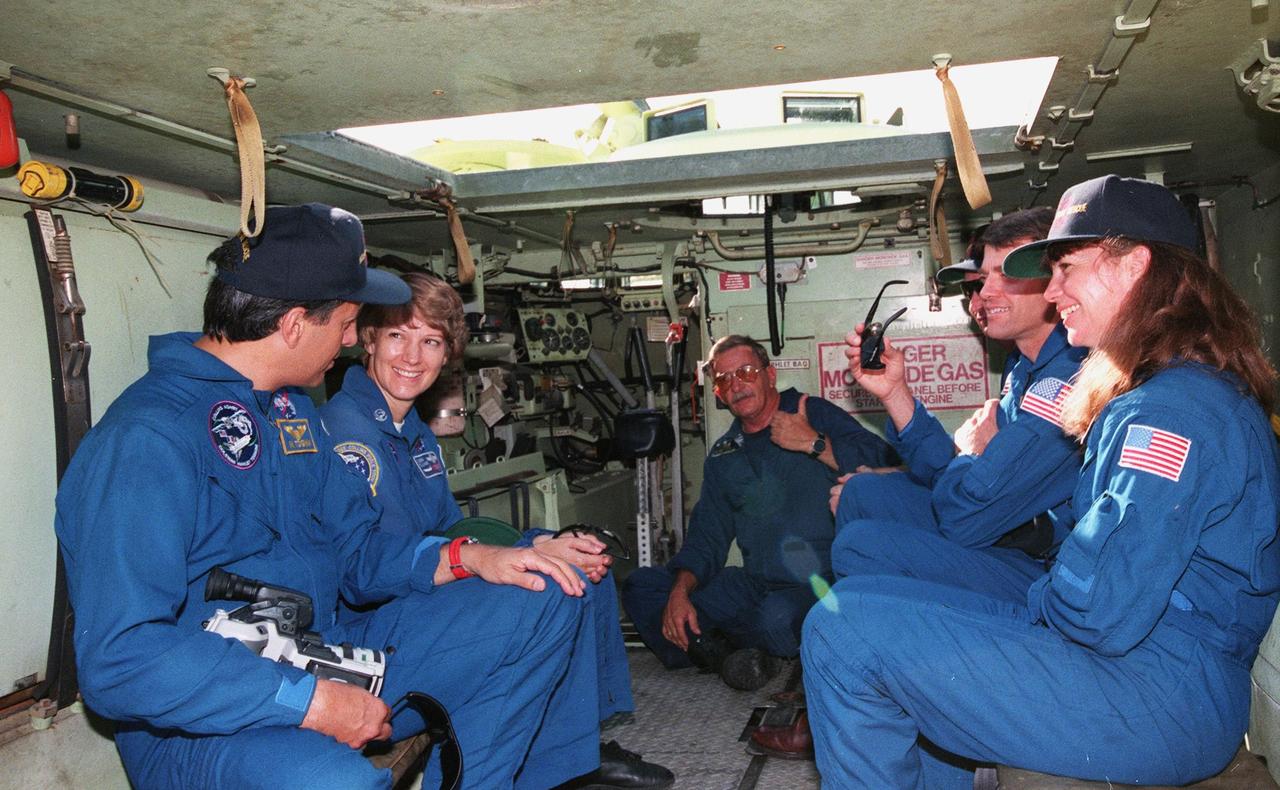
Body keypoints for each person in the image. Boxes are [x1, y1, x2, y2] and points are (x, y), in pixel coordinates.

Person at [54, 203, 614, 790]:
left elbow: (357, 554)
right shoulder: (148, 439)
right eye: (347, 323)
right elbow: (122, 658)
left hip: (328, 651)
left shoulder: (290, 412)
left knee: (545, 591)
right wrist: (309, 702)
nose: (351, 340)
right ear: (296, 324)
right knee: (335, 782)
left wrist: (468, 557)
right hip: (212, 719)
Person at [802, 175, 1280, 787]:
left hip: (1161, 694)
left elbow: (1096, 607)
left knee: (843, 632)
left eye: (1067, 269)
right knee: (864, 606)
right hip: (1144, 663)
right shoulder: (1161, 390)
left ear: (1134, 266)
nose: (1053, 292)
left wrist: (1026, 602)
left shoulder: (1169, 413)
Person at [320, 271, 672, 789]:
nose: (412, 356)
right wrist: (474, 557)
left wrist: (536, 544)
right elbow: (357, 572)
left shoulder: (413, 435)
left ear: (447, 354)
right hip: (365, 643)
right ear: (368, 339)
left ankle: (573, 753)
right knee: (548, 590)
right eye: (397, 335)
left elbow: (450, 530)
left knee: (576, 565)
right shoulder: (343, 433)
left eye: (430, 341)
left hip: (415, 611)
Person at [621, 335, 894, 691]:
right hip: (756, 584)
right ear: (718, 394)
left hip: (822, 582)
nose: (736, 385)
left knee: (775, 621)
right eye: (724, 380)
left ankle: (725, 645)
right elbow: (707, 537)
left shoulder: (810, 412)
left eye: (746, 372)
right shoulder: (724, 454)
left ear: (770, 375)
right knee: (642, 588)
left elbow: (885, 464)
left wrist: (814, 443)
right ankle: (729, 656)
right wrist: (679, 593)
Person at [827, 207, 1085, 578]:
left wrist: (972, 452)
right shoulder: (1021, 368)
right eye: (979, 282)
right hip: (999, 524)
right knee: (862, 492)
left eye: (1007, 274)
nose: (983, 296)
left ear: (1054, 282)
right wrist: (895, 392)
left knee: (859, 546)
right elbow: (948, 471)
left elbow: (964, 517)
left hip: (1042, 566)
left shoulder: (1065, 380)